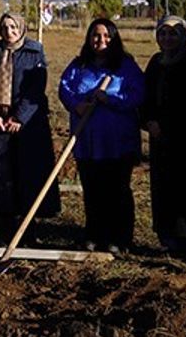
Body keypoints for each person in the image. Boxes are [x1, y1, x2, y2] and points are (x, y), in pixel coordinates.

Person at [58, 18, 145, 253]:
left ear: (114, 38)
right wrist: (77, 105)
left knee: (117, 189)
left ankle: (120, 238)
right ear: (89, 38)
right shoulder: (79, 65)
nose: (101, 40)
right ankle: (94, 234)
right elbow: (65, 88)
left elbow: (138, 94)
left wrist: (110, 99)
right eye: (96, 35)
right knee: (93, 189)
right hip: (88, 141)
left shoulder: (125, 66)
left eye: (107, 36)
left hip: (118, 142)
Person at [0, 12, 60, 231]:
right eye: (5, 27)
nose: (9, 32)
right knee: (1, 172)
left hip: (27, 124)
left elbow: (35, 88)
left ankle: (28, 223)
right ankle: (4, 222)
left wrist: (19, 117)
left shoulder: (34, 52)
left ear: (22, 28)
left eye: (14, 27)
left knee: (28, 172)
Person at [141, 16, 186, 259]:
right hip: (160, 141)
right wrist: (148, 121)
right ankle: (168, 240)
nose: (167, 38)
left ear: (183, 36)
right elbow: (146, 97)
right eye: (163, 33)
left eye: (173, 33)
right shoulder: (156, 62)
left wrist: (170, 126)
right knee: (164, 191)